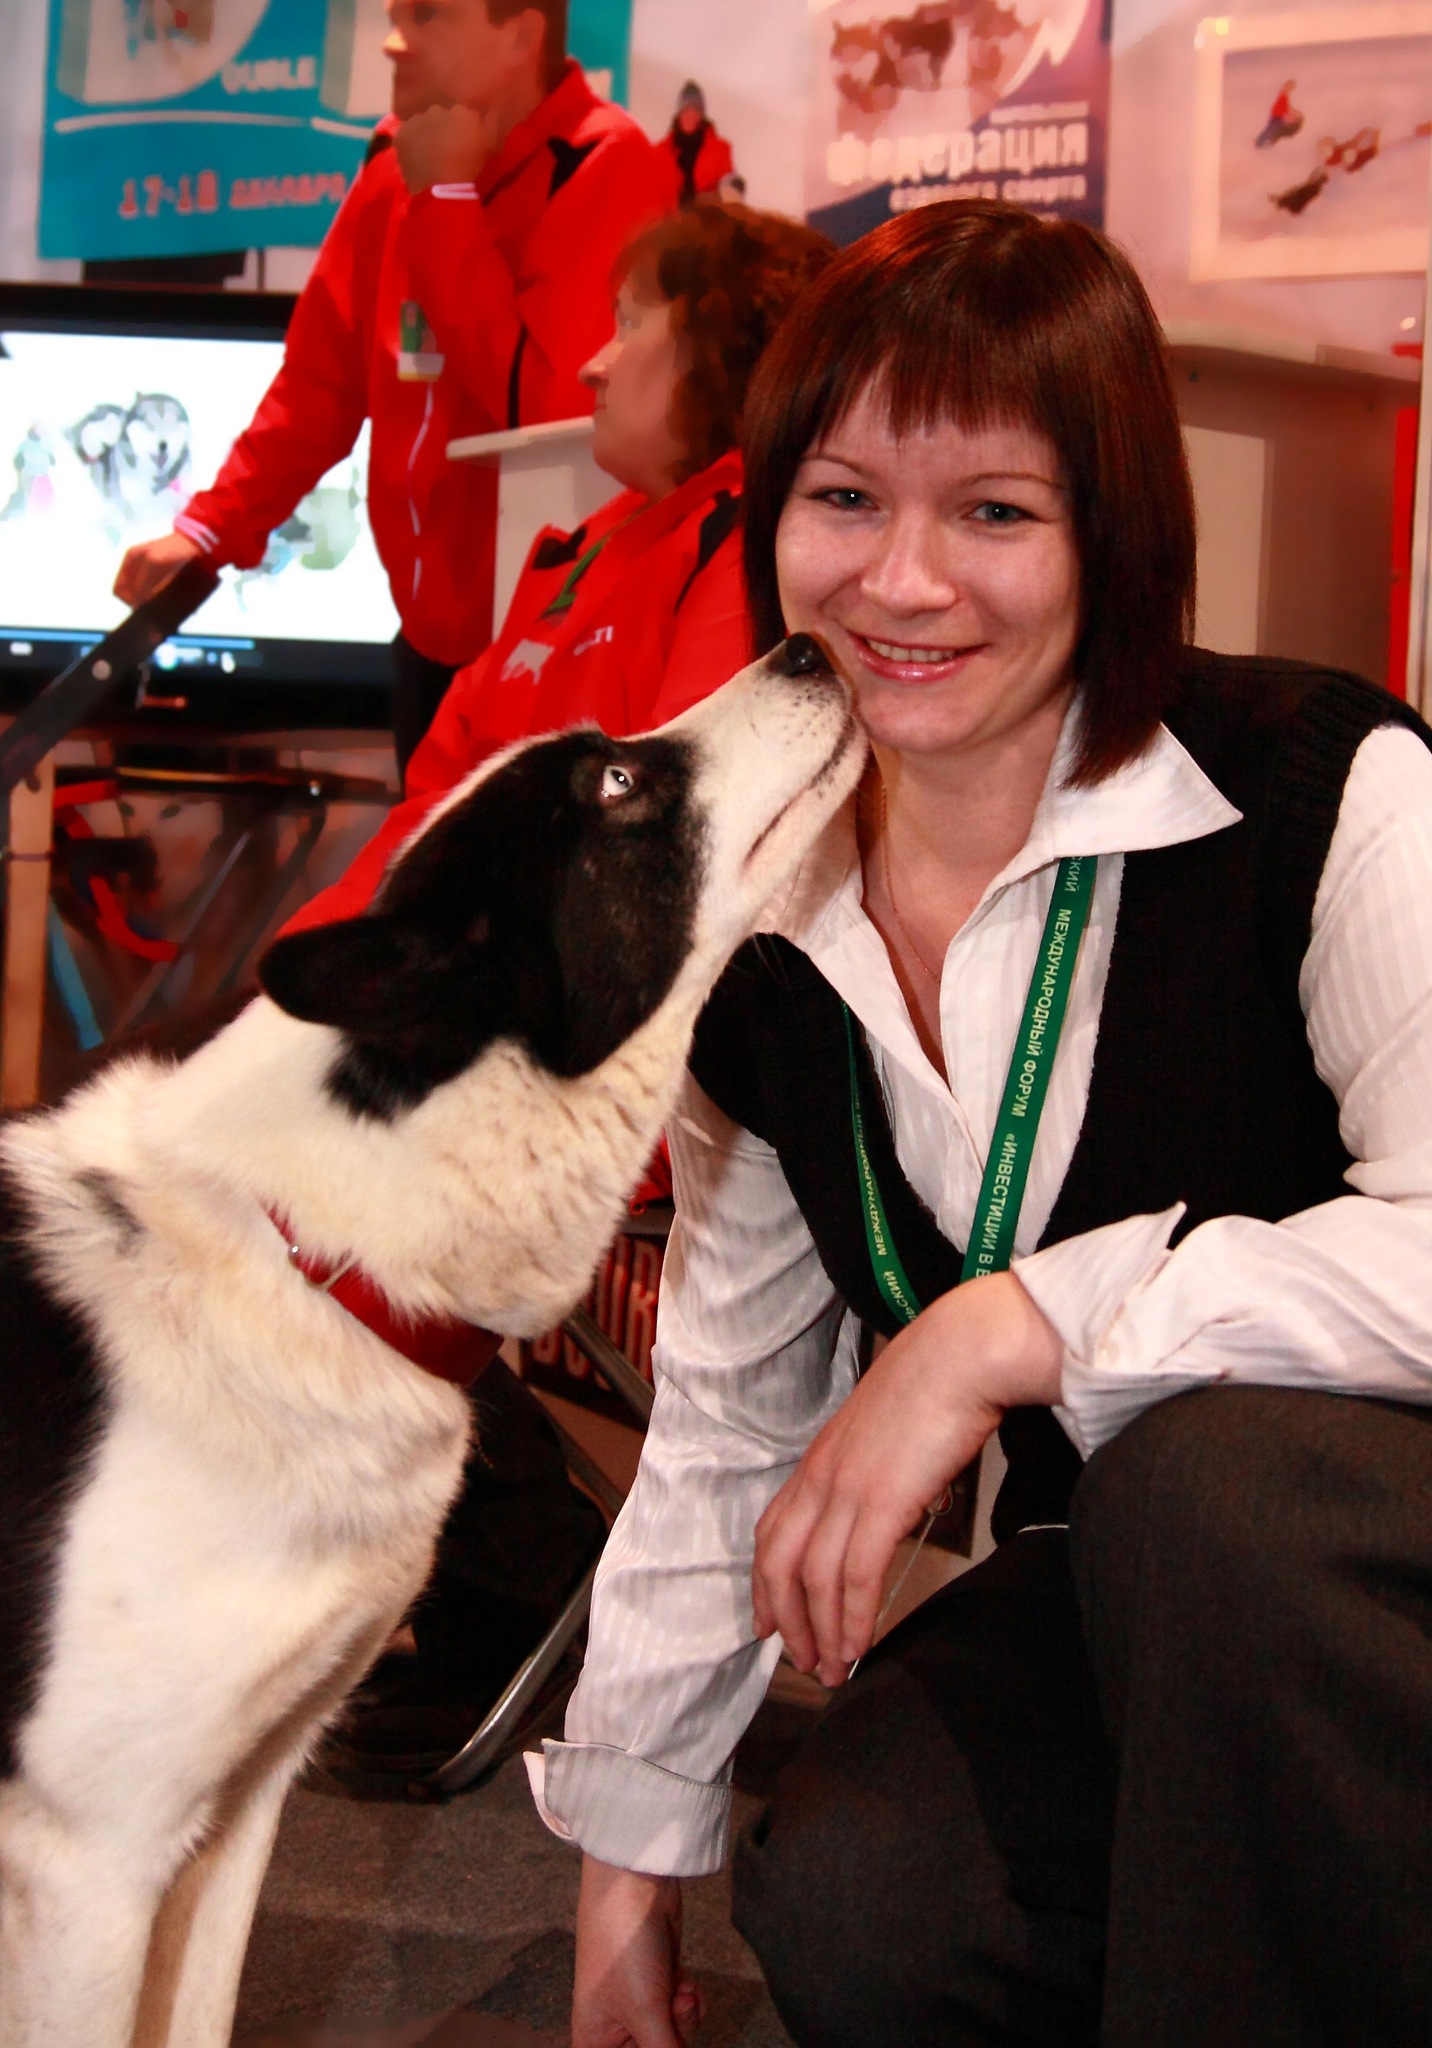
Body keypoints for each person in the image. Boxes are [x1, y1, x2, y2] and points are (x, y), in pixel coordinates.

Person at [534, 200, 1432, 2047]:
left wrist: (1013, 1324)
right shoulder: (764, 926)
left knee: (1210, 1483)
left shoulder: (1326, 791)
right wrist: (627, 1874)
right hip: (1116, 1593)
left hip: (1359, 1574)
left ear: (1115, 536)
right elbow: (728, 1420)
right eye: (844, 498)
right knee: (864, 1896)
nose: (901, 580)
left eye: (996, 512)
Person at [296, 199, 833, 1782]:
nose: (593, 359)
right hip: (487, 1047)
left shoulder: (748, 556)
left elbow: (683, 879)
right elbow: (424, 828)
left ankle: (510, 1577)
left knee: (317, 1238)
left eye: (634, 318)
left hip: (613, 1075)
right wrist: (295, 1026)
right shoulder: (580, 554)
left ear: (726, 345)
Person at [113, 0, 677, 775]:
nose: (392, 42)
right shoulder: (395, 160)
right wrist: (212, 530)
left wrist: (444, 201)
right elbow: (319, 383)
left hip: (558, 656)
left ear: (521, 34)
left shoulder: (602, 162)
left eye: (427, 15)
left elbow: (550, 422)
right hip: (426, 647)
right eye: (394, 14)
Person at [663, 82, 736, 208]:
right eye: (685, 110)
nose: (690, 115)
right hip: (672, 218)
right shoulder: (661, 151)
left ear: (702, 115)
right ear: (678, 114)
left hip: (707, 217)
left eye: (695, 110)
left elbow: (729, 195)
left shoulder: (720, 150)